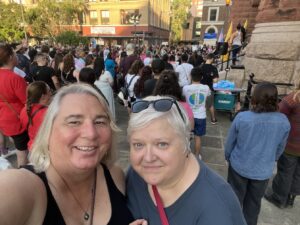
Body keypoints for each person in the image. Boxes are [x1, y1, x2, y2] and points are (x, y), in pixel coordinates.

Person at [0, 83, 134, 225]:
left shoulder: (115, 176)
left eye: (100, 121)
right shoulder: (20, 188)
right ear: (49, 131)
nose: (91, 133)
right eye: (74, 122)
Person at [126, 95, 247, 225]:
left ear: (185, 143)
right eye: (138, 145)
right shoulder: (135, 176)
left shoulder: (218, 208)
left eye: (162, 144)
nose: (148, 158)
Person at [225, 82, 290, 225]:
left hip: (239, 167)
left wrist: (228, 157)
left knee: (234, 201)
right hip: (263, 170)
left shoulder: (243, 117)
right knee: (253, 206)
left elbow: (230, 143)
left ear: (254, 97)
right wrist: (270, 160)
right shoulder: (284, 122)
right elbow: (280, 148)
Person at [264, 82, 300, 208]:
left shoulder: (292, 99)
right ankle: (291, 197)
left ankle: (279, 198)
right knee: (298, 173)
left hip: (291, 145)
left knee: (286, 172)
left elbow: (277, 115)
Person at [0, 44, 29, 167]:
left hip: (4, 119)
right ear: (11, 57)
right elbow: (28, 101)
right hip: (18, 121)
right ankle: (23, 178)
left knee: (19, 148)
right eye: (15, 54)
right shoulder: (15, 78)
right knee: (22, 154)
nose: (18, 56)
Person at [182, 67, 211, 158]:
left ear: (190, 76)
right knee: (198, 137)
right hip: (201, 116)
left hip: (188, 116)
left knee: (187, 137)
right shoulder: (206, 88)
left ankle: (186, 154)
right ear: (201, 77)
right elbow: (208, 96)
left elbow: (183, 97)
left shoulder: (186, 88)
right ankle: (197, 155)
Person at [20, 81, 51, 150]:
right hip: (46, 148)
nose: (51, 93)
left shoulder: (24, 110)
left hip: (33, 147)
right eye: (49, 91)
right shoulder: (48, 113)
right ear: (43, 96)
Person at [199, 53, 219, 124]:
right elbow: (215, 80)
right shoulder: (213, 68)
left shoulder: (200, 67)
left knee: (200, 104)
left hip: (200, 88)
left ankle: (199, 118)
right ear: (212, 59)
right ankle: (213, 119)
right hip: (209, 89)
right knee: (211, 105)